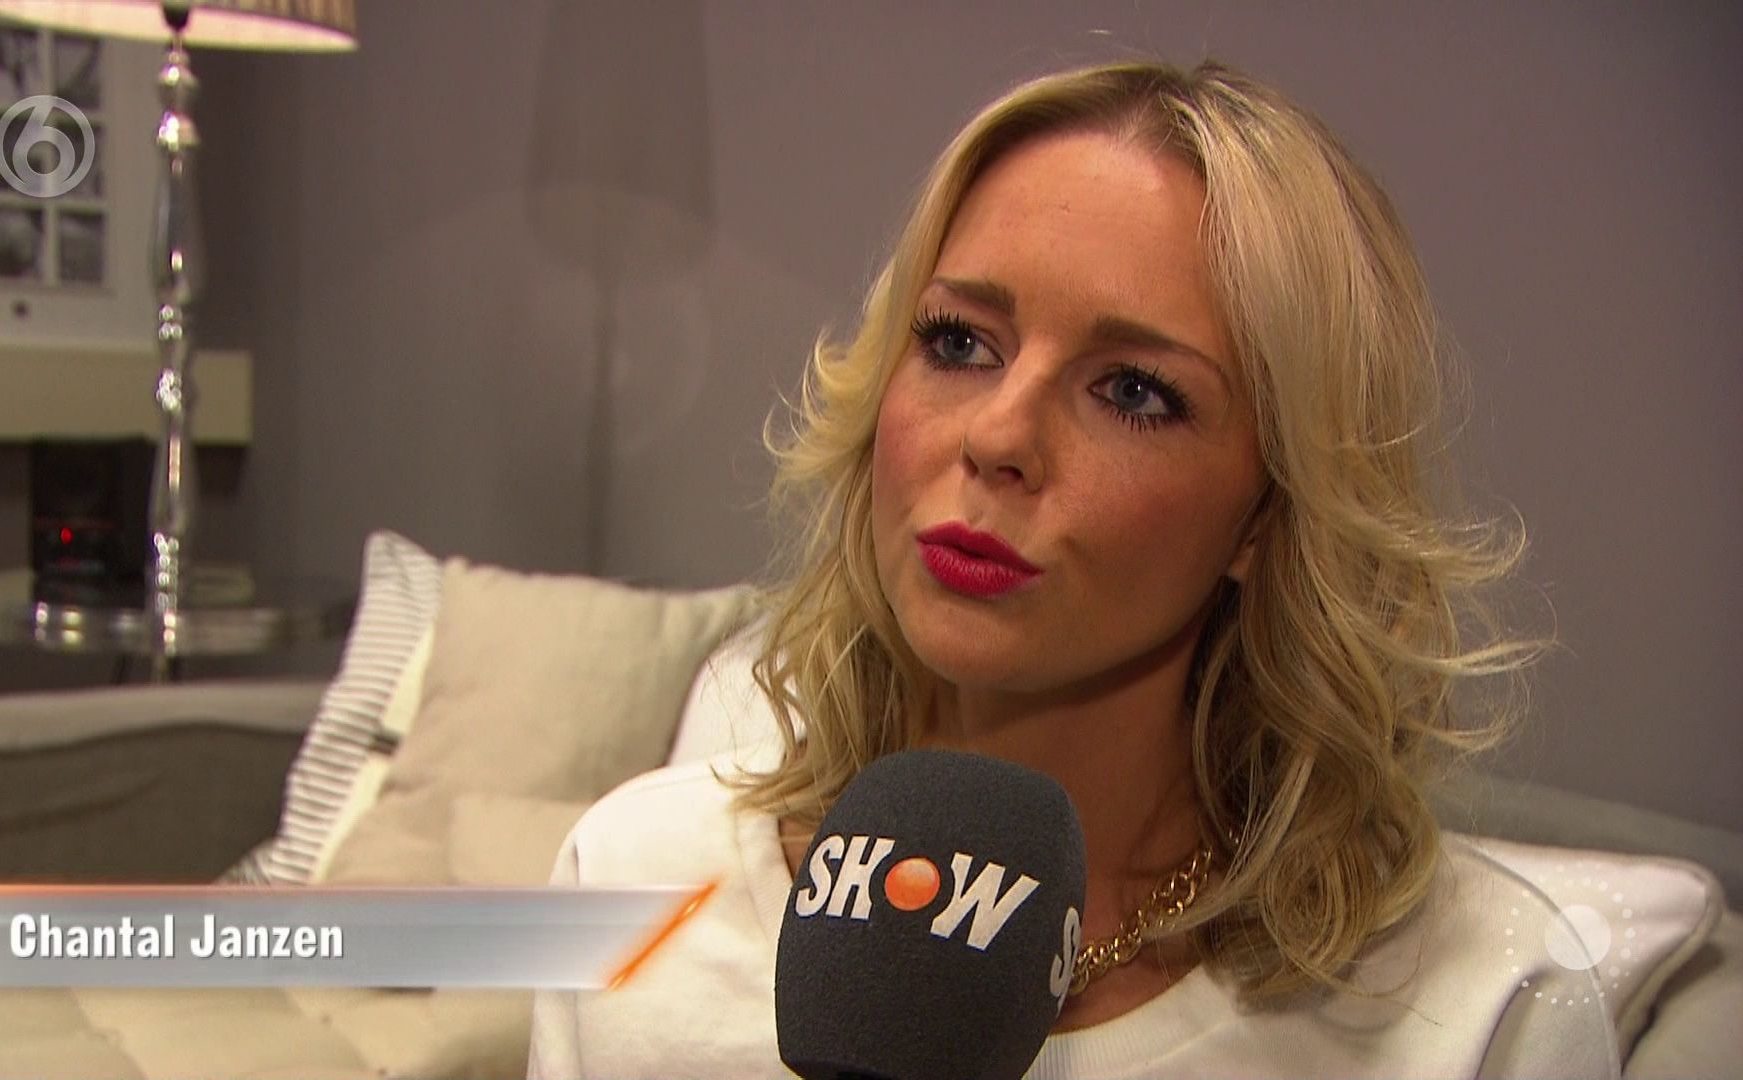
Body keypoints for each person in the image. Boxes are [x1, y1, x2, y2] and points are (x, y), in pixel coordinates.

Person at [528, 60, 1717, 1078]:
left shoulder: (1481, 1005)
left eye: (1135, 392)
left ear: (1269, 514)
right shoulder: (632, 876)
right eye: (958, 341)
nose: (998, 436)